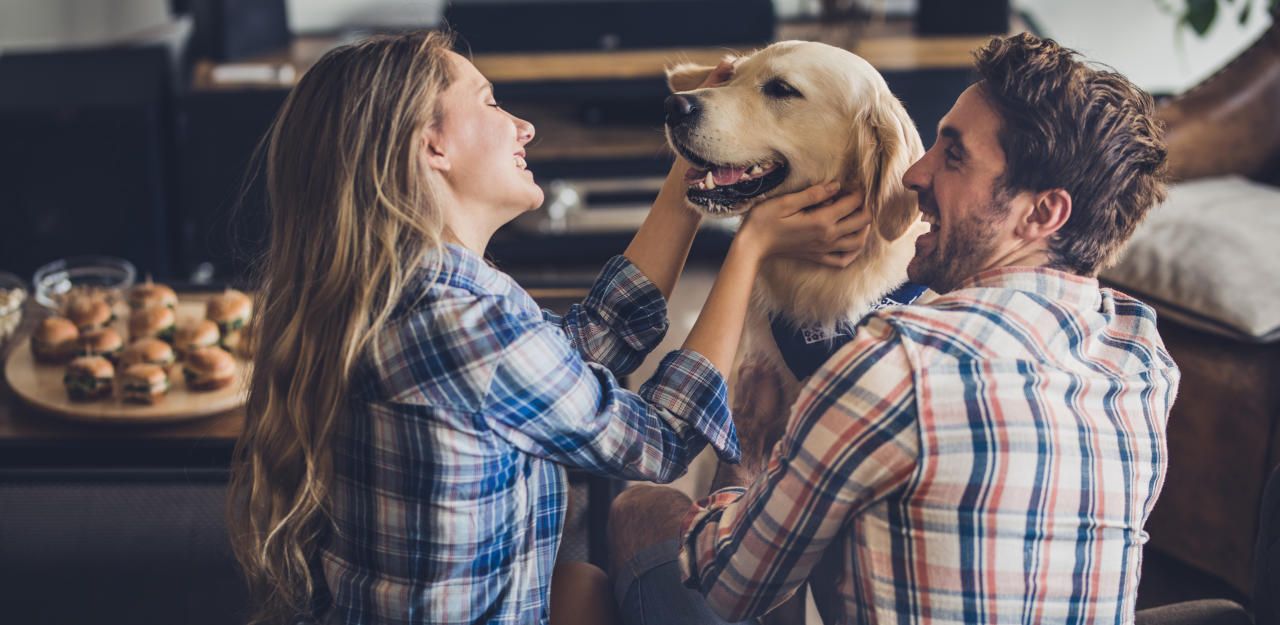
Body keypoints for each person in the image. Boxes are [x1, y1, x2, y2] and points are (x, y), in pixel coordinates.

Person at [226, 30, 869, 625]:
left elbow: (587, 343)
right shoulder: (461, 326)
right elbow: (656, 441)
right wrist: (749, 247)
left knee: (582, 586)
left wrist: (696, 169)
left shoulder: (411, 289)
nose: (525, 126)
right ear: (432, 144)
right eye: (491, 102)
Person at [609, 32, 1177, 625]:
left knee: (638, 509)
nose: (913, 173)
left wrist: (748, 461)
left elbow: (731, 586)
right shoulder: (1142, 354)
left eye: (954, 156)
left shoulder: (896, 362)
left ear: (1042, 213)